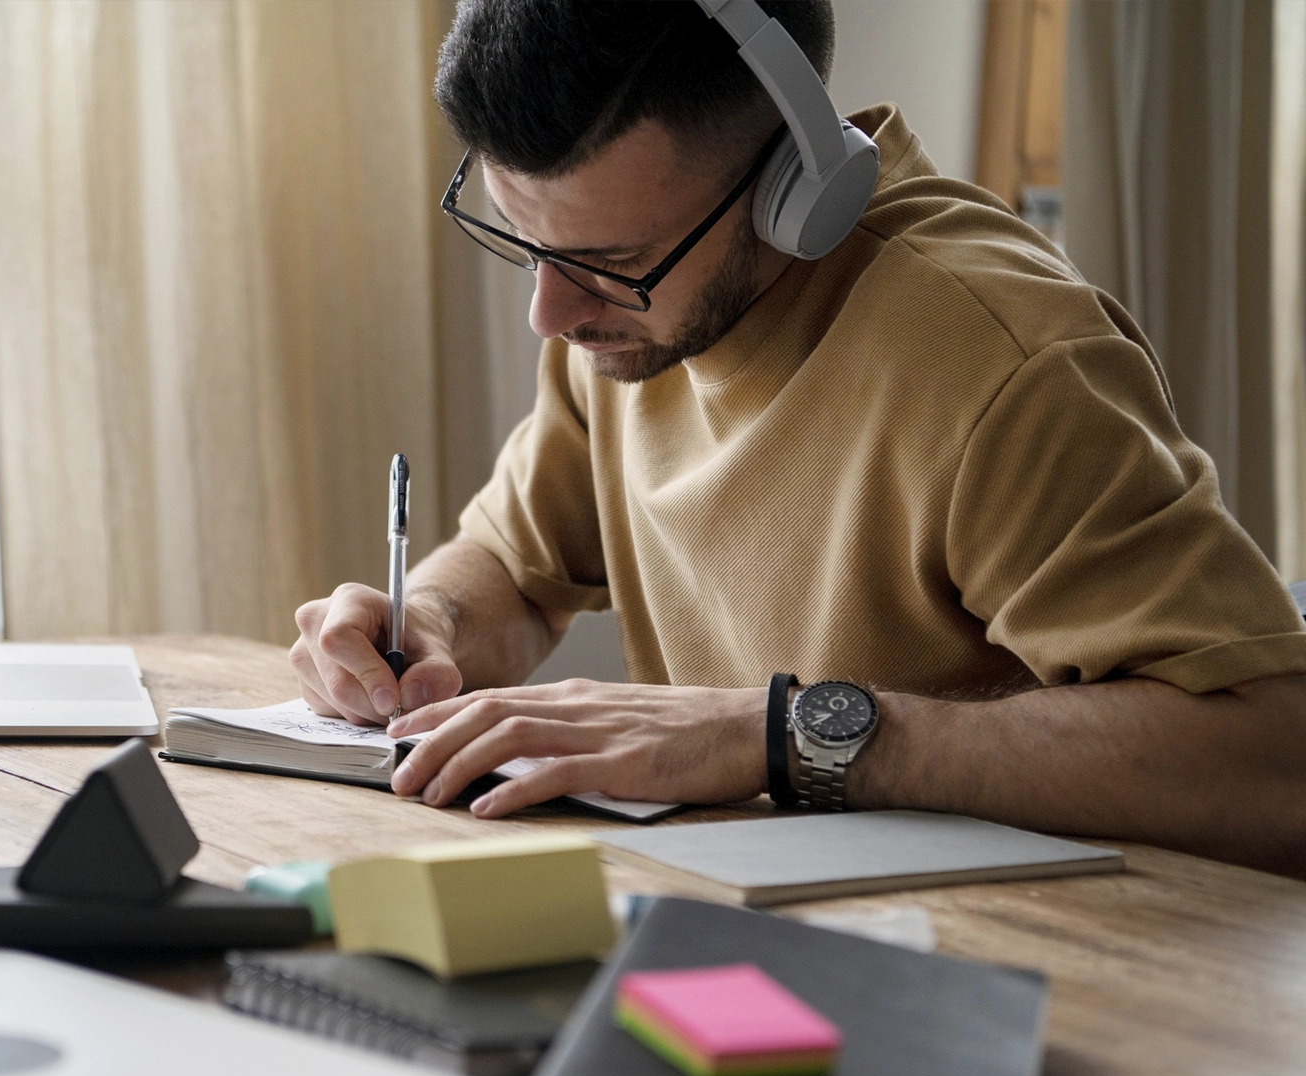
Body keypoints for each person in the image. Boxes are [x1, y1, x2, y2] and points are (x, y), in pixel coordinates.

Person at [287, 0, 1306, 876]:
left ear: (795, 192)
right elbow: (513, 569)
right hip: (746, 920)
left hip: (1040, 974)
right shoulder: (624, 324)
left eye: (608, 261)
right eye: (523, 240)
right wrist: (432, 632)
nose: (548, 315)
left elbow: (1274, 761)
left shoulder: (1003, 361)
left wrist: (782, 734)